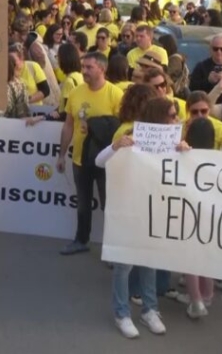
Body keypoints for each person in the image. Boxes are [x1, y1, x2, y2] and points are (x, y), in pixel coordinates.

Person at [95, 91, 177, 337]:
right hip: (128, 211)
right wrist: (115, 146)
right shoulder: (130, 137)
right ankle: (122, 313)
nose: (176, 120)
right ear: (158, 118)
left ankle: (150, 310)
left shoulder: (173, 142)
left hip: (154, 210)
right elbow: (100, 162)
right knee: (124, 265)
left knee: (149, 261)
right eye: (172, 116)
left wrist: (185, 151)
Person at [57, 52, 124, 255]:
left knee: (109, 207)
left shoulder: (115, 94)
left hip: (107, 161)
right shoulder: (76, 93)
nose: (84, 71)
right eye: (83, 67)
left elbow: (123, 127)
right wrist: (61, 154)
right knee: (83, 204)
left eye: (89, 67)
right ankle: (81, 240)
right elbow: (69, 125)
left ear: (101, 69)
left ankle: (114, 248)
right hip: (80, 158)